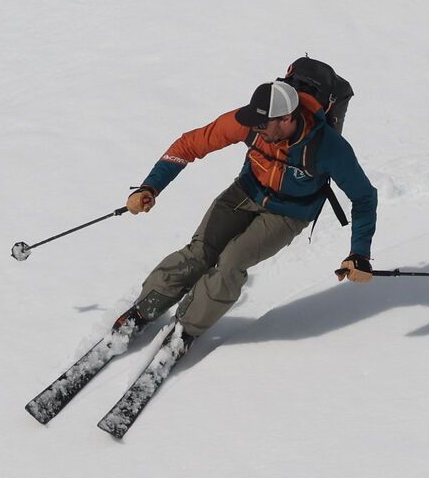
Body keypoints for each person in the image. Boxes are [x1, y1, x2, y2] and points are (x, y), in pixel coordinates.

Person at [115, 79, 378, 346]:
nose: (255, 128)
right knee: (200, 251)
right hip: (245, 192)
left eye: (262, 124)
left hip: (289, 212)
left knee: (231, 262)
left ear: (287, 118)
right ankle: (145, 307)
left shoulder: (329, 148)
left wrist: (359, 253)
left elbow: (364, 198)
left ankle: (185, 330)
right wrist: (150, 186)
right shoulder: (250, 122)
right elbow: (189, 145)